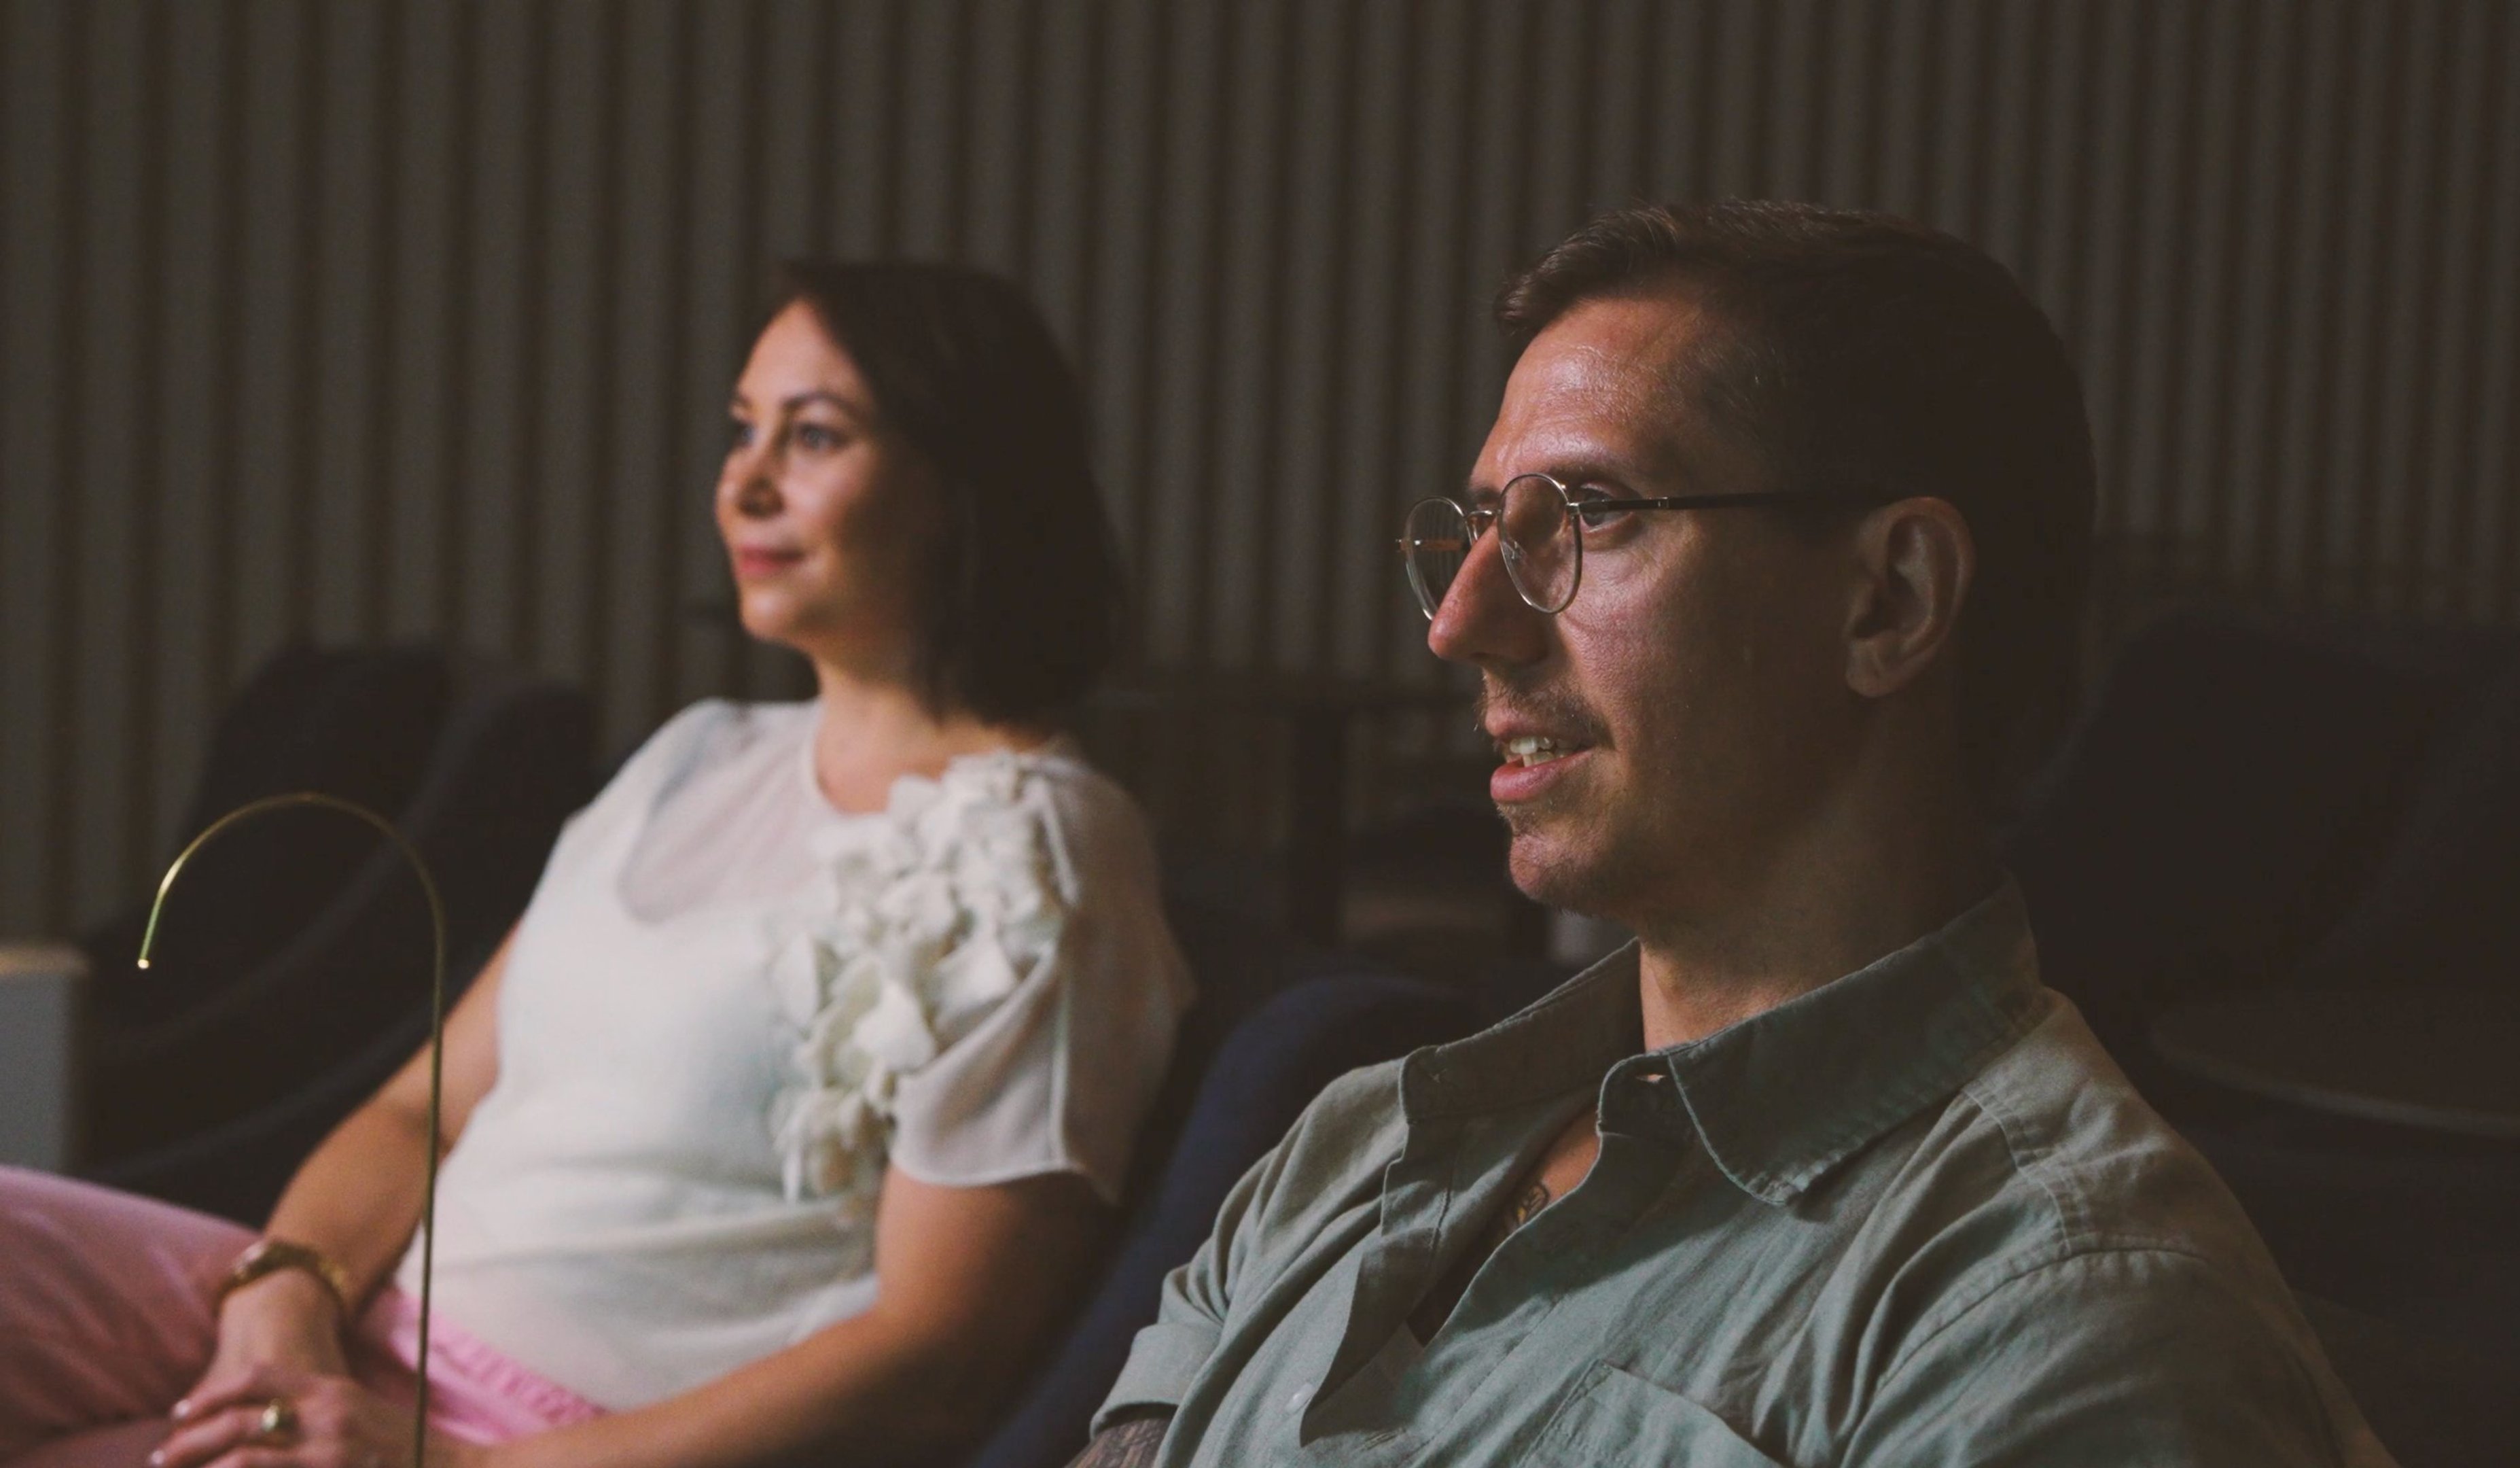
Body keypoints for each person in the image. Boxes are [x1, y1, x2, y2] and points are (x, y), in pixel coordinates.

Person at [1066, 202, 2394, 1467]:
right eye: (1480, 533)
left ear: (1890, 600)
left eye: (1585, 519)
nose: (1463, 625)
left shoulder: (2053, 1308)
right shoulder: (1362, 1139)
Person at [0, 261, 1194, 1468]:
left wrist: (444, 1464)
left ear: (961, 483)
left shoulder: (1037, 855)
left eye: (816, 435)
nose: (747, 481)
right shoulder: (696, 756)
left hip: (546, 1434)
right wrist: (285, 1294)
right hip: (354, 1313)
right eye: (742, 430)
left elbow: (938, 1363)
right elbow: (419, 1107)